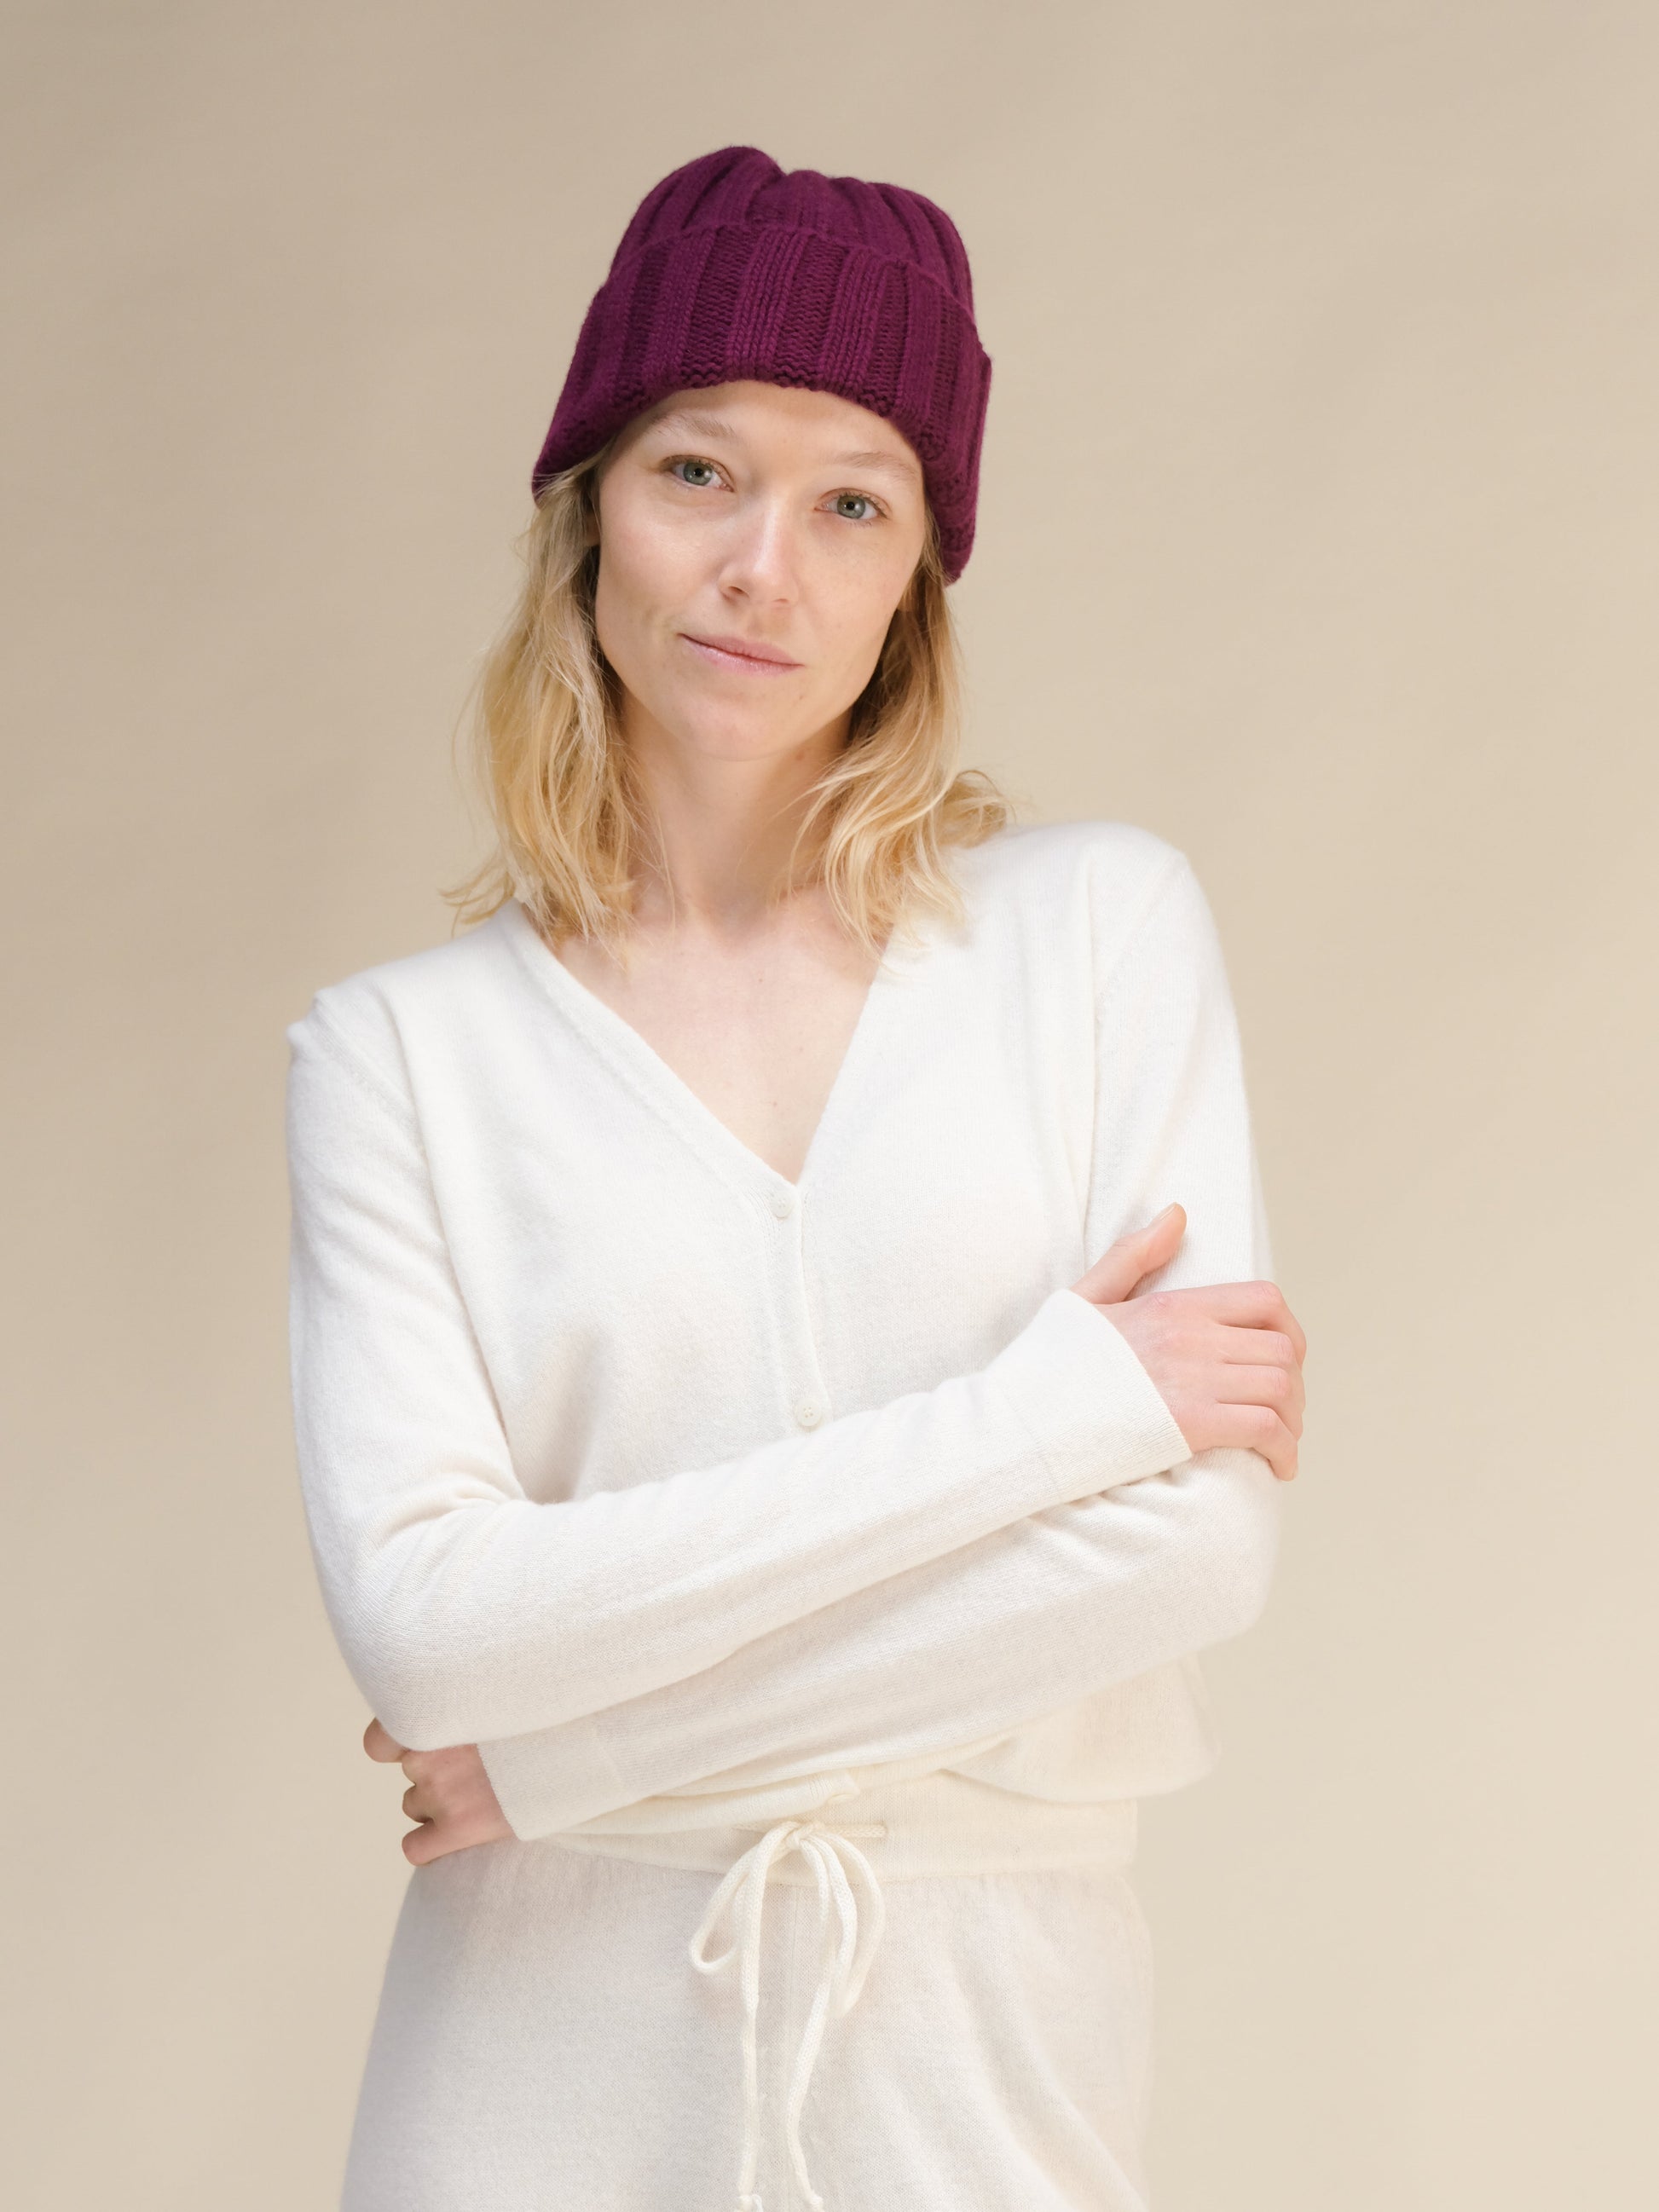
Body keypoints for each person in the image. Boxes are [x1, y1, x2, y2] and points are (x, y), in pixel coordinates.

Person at [285, 143, 1307, 2212]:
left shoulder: (1093, 932)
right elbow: (430, 1634)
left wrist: (574, 1751)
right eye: (699, 472)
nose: (765, 566)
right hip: (531, 2072)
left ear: (919, 573)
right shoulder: (397, 1053)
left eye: (854, 502)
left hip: (986, 2052)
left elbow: (1190, 1557)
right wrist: (1050, 1415)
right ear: (589, 508)